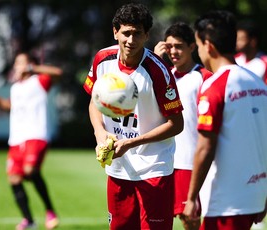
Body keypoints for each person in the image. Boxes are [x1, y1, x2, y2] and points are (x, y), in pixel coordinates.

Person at [83, 3, 184, 230]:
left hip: (154, 169)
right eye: (126, 33)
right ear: (115, 31)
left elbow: (176, 124)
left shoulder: (159, 71)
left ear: (146, 35)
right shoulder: (102, 59)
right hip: (119, 168)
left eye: (137, 33)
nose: (130, 40)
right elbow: (94, 102)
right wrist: (100, 132)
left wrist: (131, 143)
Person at [183, 10, 267, 230]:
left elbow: (205, 147)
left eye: (198, 45)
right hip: (253, 196)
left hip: (225, 202)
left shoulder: (215, 86)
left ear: (208, 45)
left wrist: (191, 198)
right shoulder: (259, 84)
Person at [0, 52, 62, 230]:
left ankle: (50, 211)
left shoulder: (39, 81)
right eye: (16, 63)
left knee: (30, 171)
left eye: (21, 62)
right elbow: (8, 106)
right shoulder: (16, 88)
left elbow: (58, 73)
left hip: (36, 135)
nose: (17, 66)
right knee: (14, 178)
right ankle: (29, 220)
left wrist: (32, 68)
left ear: (30, 64)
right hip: (16, 139)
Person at [154, 22, 212, 230]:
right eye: (169, 46)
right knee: (160, 219)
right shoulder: (161, 75)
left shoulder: (204, 78)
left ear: (192, 47)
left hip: (190, 162)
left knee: (190, 220)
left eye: (178, 46)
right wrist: (155, 61)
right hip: (164, 160)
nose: (173, 52)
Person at [235, 19, 267, 84]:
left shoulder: (265, 62)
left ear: (253, 41)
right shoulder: (235, 59)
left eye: (241, 39)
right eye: (236, 39)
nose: (237, 42)